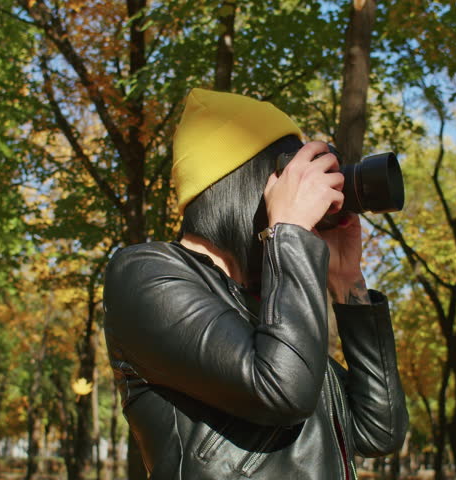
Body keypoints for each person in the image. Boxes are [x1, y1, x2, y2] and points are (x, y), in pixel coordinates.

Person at [104, 88, 408, 479]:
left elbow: (378, 431)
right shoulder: (144, 273)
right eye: (288, 179)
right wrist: (291, 231)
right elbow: (283, 393)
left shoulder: (270, 303)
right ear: (247, 184)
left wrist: (348, 283)